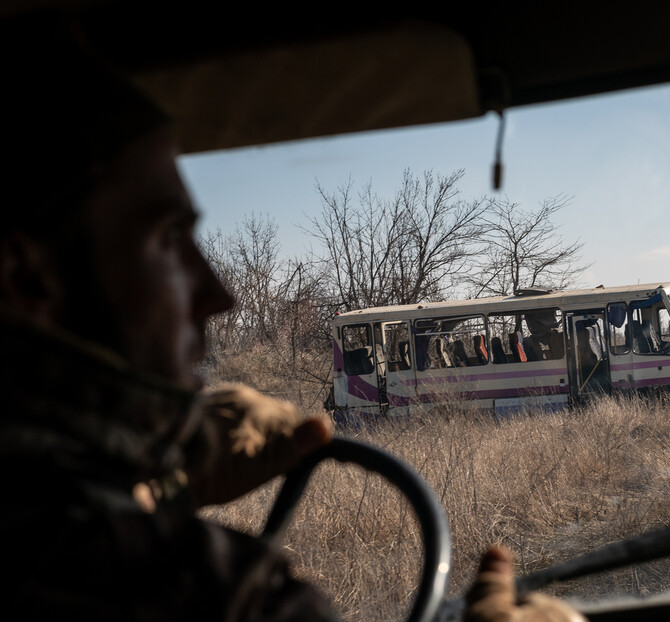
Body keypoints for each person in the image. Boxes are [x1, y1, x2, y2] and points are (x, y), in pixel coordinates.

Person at [0, 16, 583, 622]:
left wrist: (159, 480)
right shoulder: (217, 597)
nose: (220, 294)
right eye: (170, 238)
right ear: (25, 277)